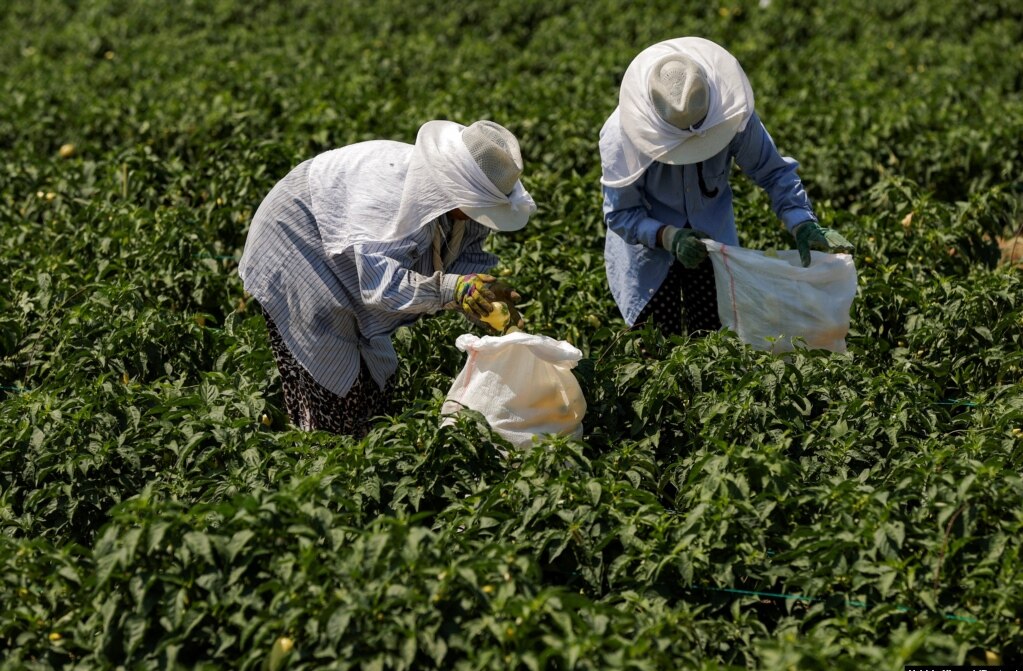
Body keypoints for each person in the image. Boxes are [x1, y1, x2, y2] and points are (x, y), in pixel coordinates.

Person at [238, 120, 534, 437]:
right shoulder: (393, 197)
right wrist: (452, 289)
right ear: (459, 187)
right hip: (298, 242)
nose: (481, 212)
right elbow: (383, 286)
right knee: (333, 384)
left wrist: (483, 293)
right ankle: (319, 460)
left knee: (379, 377)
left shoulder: (461, 207)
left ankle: (360, 449)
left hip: (347, 256)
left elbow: (465, 255)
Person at [600, 37, 854, 336]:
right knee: (655, 342)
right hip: (649, 259)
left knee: (714, 338)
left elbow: (773, 172)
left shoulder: (730, 115)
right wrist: (669, 236)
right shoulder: (622, 136)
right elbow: (621, 214)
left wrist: (802, 222)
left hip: (714, 243)